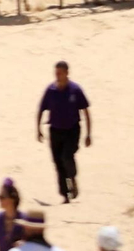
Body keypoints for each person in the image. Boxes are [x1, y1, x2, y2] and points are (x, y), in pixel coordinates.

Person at [36, 60, 92, 203]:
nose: (57, 75)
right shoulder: (51, 90)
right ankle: (65, 195)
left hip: (72, 130)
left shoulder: (75, 90)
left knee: (67, 157)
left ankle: (72, 178)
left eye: (60, 73)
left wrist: (88, 134)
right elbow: (41, 109)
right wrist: (38, 129)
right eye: (56, 73)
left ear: (67, 73)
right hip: (55, 131)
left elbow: (86, 111)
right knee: (57, 162)